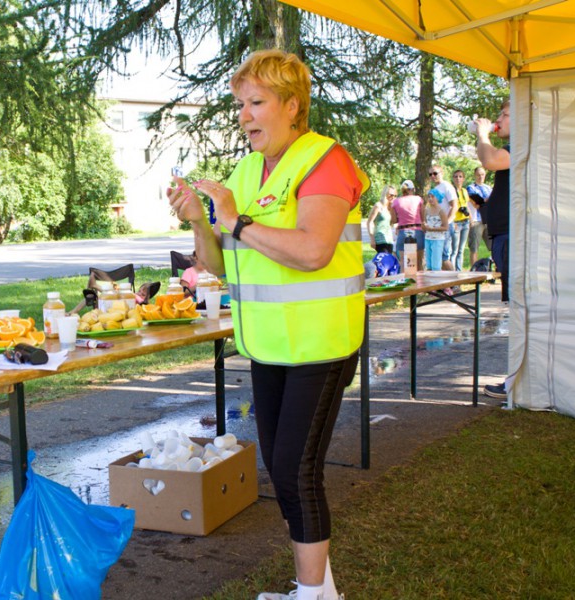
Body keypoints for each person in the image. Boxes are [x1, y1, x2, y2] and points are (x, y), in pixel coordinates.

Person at [166, 49, 368, 600]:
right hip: (269, 345)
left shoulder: (326, 159)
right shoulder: (247, 170)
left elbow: (313, 252)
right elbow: (217, 263)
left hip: (321, 343)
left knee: (296, 472)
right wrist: (200, 222)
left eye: (257, 102)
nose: (245, 115)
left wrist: (235, 218)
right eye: (239, 104)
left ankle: (313, 597)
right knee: (284, 474)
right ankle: (318, 590)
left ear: (292, 105)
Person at [474, 99, 511, 399]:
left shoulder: (517, 147)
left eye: (504, 114)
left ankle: (515, 383)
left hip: (511, 238)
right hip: (503, 238)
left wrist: (483, 134)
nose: (498, 118)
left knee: (519, 311)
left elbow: (489, 160)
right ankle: (515, 380)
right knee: (516, 309)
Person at [389, 180, 424, 270]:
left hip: (403, 231)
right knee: (419, 262)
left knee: (405, 262)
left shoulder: (396, 202)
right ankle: (421, 283)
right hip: (417, 230)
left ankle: (405, 282)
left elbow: (393, 220)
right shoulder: (418, 199)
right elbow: (423, 217)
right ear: (413, 189)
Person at [427, 164, 457, 267]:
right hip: (436, 226)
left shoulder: (446, 186)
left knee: (444, 257)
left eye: (435, 173)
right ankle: (446, 282)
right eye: (430, 174)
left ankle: (455, 283)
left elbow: (454, 205)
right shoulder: (436, 188)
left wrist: (447, 222)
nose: (432, 176)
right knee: (438, 257)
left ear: (442, 173)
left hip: (445, 226)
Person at [466, 166, 492, 266]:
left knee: (493, 247)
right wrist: (485, 201)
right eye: (478, 175)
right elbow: (477, 202)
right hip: (476, 221)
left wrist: (484, 202)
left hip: (488, 220)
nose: (480, 177)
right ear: (474, 175)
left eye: (482, 174)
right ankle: (473, 271)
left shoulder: (488, 188)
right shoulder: (471, 187)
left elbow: (491, 202)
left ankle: (492, 268)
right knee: (474, 248)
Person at [422, 188, 449, 271]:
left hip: (438, 239)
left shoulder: (441, 211)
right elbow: (424, 224)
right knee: (429, 264)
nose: (430, 199)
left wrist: (433, 229)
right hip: (428, 238)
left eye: (432, 197)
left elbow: (446, 227)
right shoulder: (426, 210)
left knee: (436, 264)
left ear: (437, 198)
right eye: (429, 197)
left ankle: (437, 280)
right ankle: (429, 281)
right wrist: (424, 226)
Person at [449, 169, 471, 270]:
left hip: (465, 221)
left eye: (460, 176)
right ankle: (452, 273)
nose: (458, 178)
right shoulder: (451, 191)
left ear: (463, 178)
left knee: (461, 250)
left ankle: (459, 271)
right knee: (454, 250)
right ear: (453, 179)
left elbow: (466, 205)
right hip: (456, 222)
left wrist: (471, 218)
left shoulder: (465, 191)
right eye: (456, 176)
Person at [366, 185, 395, 255]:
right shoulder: (378, 206)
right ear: (386, 194)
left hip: (389, 240)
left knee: (388, 262)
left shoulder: (390, 208)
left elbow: (392, 222)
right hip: (380, 239)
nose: (393, 197)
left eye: (394, 195)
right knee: (383, 261)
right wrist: (372, 238)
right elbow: (369, 222)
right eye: (391, 195)